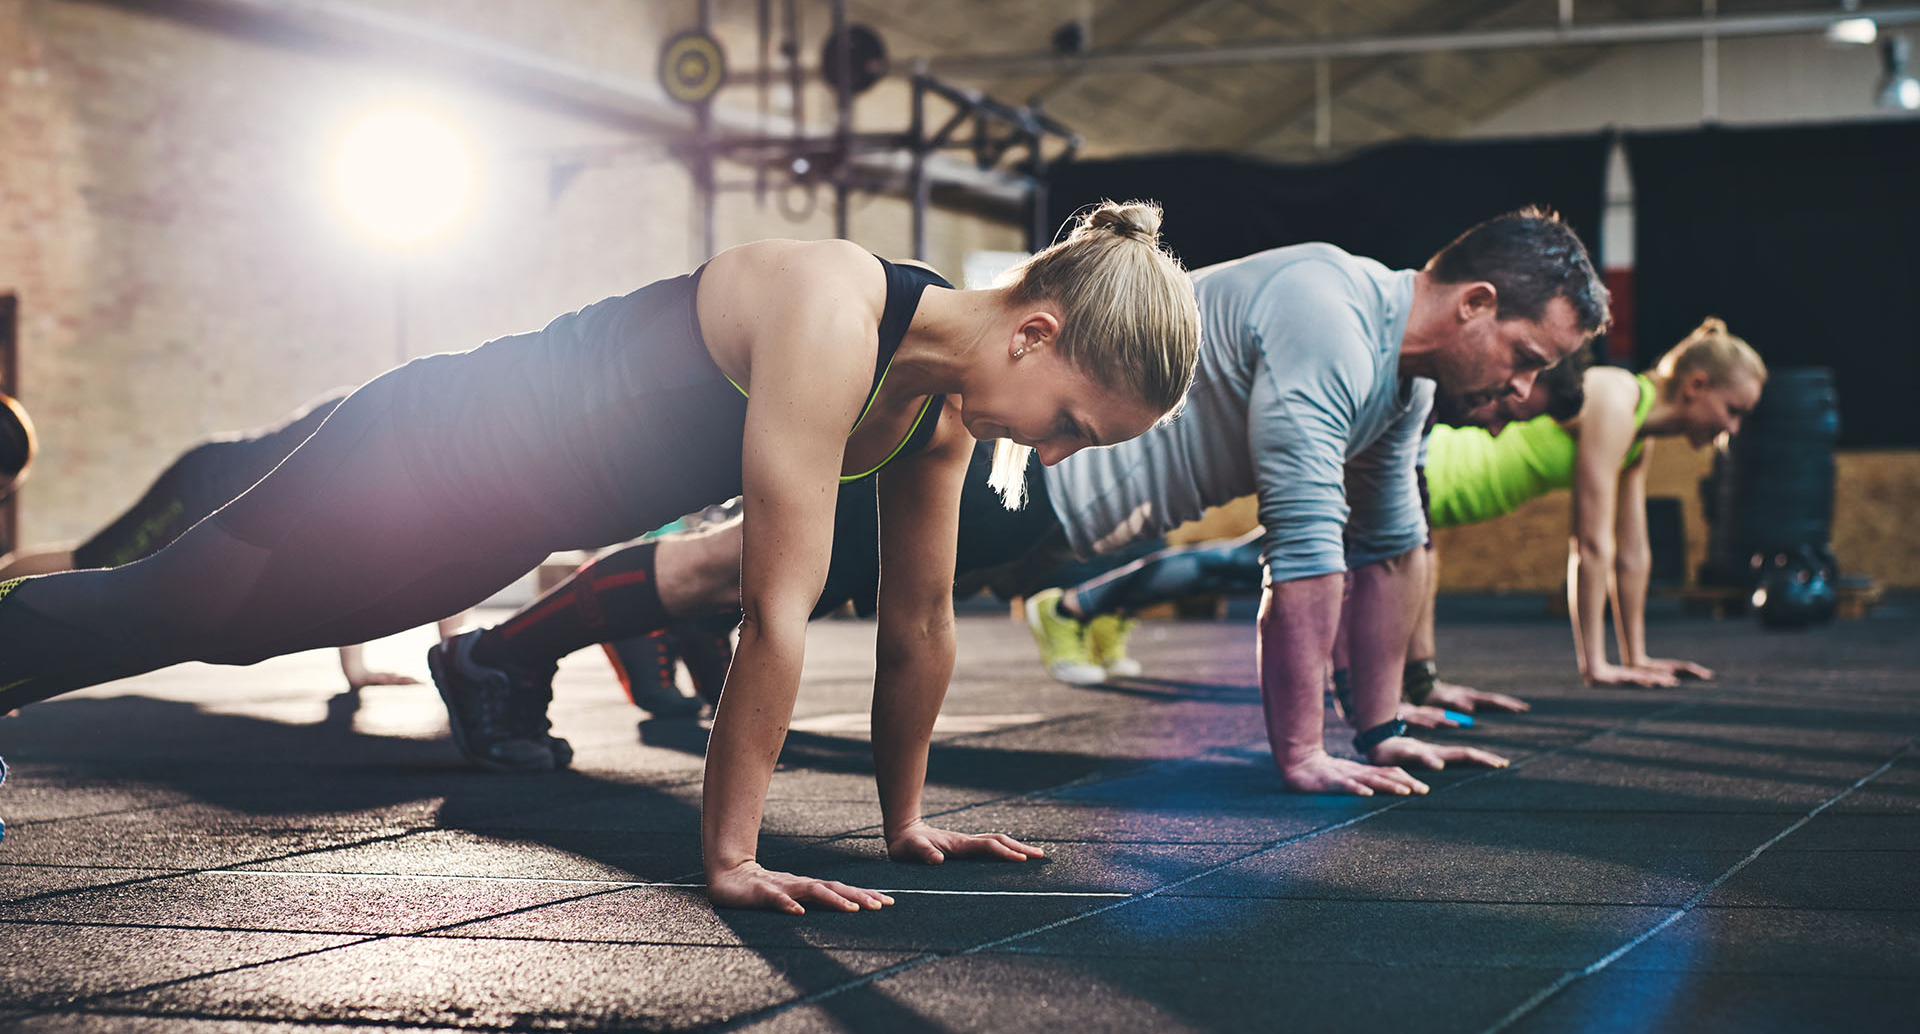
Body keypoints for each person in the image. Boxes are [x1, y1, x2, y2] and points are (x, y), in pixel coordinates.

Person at [0, 202, 1200, 914]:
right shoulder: (833, 310)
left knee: (238, 629)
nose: (1049, 458)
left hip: (494, 521)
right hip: (431, 441)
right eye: (1069, 427)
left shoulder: (935, 415)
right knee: (172, 606)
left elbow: (921, 624)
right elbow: (774, 614)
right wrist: (731, 857)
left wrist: (904, 823)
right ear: (1037, 334)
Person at [502, 208, 1609, 801]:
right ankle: (501, 655)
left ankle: (655, 627)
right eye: (1524, 356)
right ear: (1474, 304)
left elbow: (1389, 548)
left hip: (1063, 510)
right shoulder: (1331, 306)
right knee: (748, 568)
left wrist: (1386, 725)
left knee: (779, 574)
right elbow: (1306, 549)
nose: (1521, 392)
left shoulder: (1401, 384)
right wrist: (1306, 752)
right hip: (1022, 463)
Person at [0, 393, 443, 691]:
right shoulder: (391, 440)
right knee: (94, 564)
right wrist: (358, 669)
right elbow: (372, 559)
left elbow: (431, 560)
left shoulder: (418, 461)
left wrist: (363, 670)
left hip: (234, 495)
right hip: (202, 485)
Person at [1422, 318, 1765, 691]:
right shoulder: (1616, 398)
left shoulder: (1637, 431)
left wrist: (1637, 657)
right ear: (1696, 385)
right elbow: (1590, 543)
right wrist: (1596, 665)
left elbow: (1632, 552)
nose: (1733, 429)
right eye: (1733, 411)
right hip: (1443, 473)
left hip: (1454, 492)